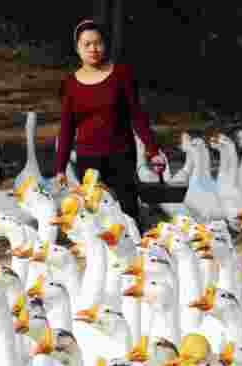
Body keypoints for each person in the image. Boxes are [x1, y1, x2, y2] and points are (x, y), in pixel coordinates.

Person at [54, 18, 166, 223]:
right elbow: (67, 127)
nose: (93, 48)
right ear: (77, 49)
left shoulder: (121, 74)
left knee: (128, 211)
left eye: (98, 42)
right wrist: (60, 167)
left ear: (105, 45)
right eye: (86, 44)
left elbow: (137, 115)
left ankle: (136, 248)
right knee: (95, 215)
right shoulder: (70, 84)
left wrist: (152, 148)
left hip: (121, 154)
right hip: (88, 159)